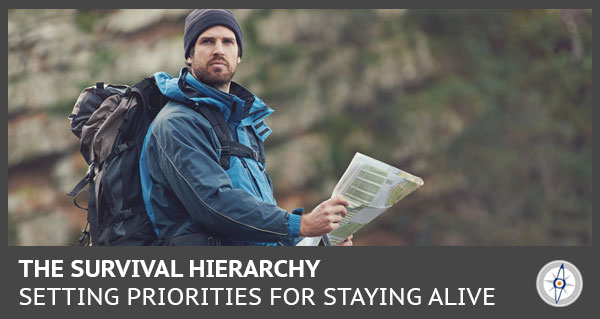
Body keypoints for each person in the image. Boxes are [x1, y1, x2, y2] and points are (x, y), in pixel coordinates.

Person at [139, 9, 353, 246]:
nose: (219, 49)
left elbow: (259, 219)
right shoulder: (177, 123)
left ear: (238, 55)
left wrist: (320, 243)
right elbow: (214, 205)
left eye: (228, 42)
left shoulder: (244, 125)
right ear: (189, 55)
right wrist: (301, 225)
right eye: (207, 41)